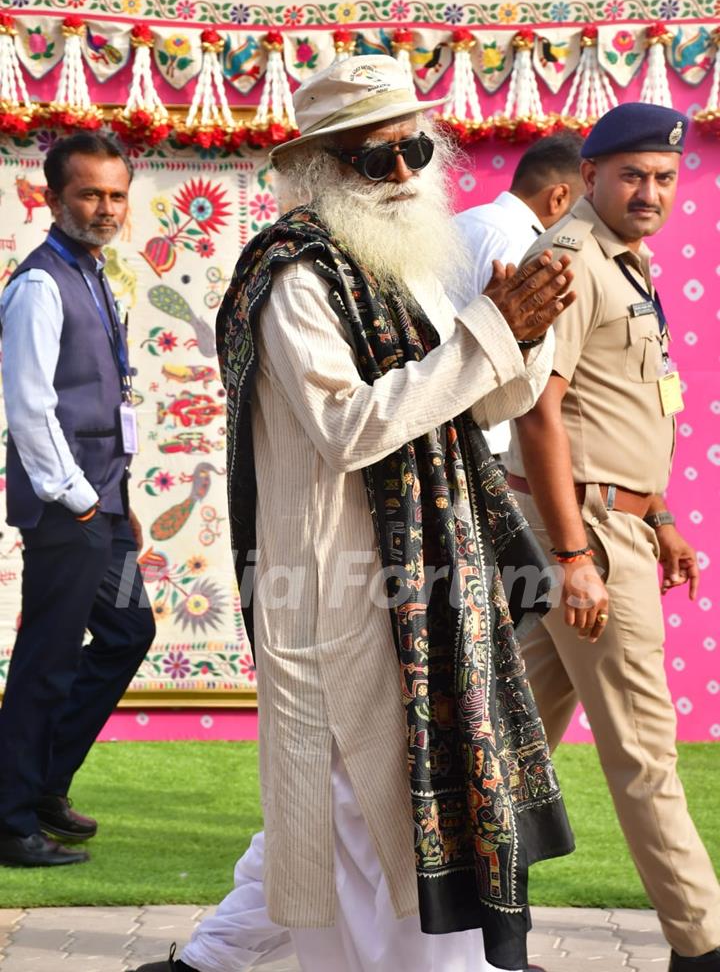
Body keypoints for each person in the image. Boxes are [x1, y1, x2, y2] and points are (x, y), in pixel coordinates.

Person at [134, 54, 578, 972]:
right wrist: (491, 335)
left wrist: (520, 343)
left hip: (417, 590)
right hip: (342, 600)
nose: (407, 175)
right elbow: (350, 427)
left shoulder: (398, 267)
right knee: (375, 838)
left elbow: (462, 406)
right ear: (321, 167)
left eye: (415, 148)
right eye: (379, 160)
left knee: (371, 836)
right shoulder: (295, 277)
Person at [505, 102, 720, 972]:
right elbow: (539, 413)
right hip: (584, 535)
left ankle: (470, 926)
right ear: (587, 176)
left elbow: (623, 406)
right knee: (643, 750)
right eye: (632, 174)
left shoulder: (626, 262)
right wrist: (573, 557)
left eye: (665, 177)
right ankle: (702, 946)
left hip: (614, 523)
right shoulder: (567, 258)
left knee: (505, 741)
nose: (651, 191)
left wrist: (661, 513)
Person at [0, 132, 155, 868]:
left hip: (104, 503)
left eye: (116, 194)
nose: (106, 208)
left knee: (128, 633)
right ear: (55, 198)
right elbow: (30, 408)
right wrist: (80, 500)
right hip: (71, 510)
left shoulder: (93, 272)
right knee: (48, 659)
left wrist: (117, 498)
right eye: (90, 194)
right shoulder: (38, 284)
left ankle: (40, 785)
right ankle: (9, 818)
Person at [452, 134, 585, 456]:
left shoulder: (463, 221)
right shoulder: (525, 245)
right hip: (489, 436)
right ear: (559, 198)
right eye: (584, 211)